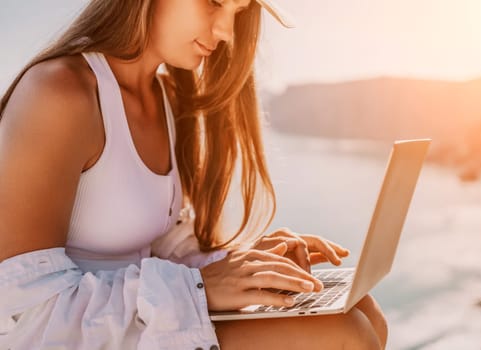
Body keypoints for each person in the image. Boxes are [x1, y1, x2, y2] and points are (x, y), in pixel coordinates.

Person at [0, 0, 388, 349]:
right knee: (344, 335)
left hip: (134, 326)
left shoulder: (166, 99)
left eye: (237, 13)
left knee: (362, 311)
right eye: (215, 3)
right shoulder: (59, 92)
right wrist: (198, 289)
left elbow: (157, 241)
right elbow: (21, 309)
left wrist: (244, 265)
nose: (225, 32)